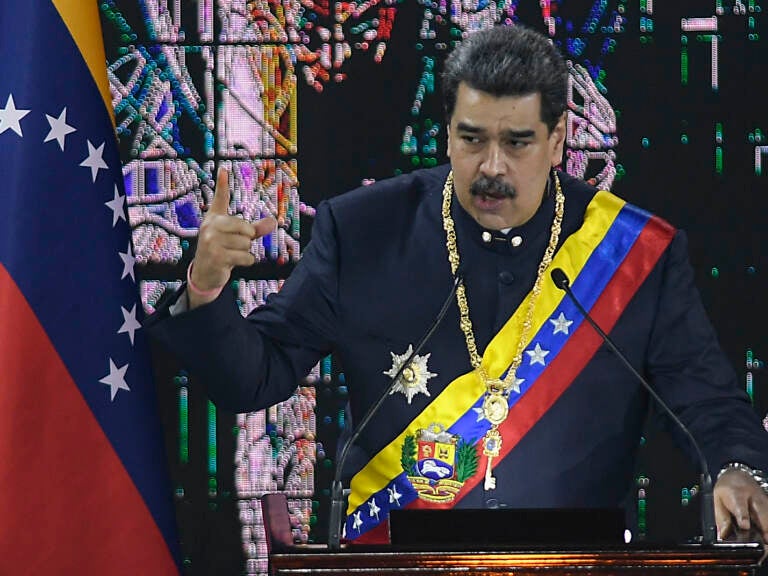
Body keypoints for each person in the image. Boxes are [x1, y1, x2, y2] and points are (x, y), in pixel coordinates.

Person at [146, 24, 768, 545]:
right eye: (472, 139)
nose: (491, 167)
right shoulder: (362, 230)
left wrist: (737, 471)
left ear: (557, 142)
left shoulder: (631, 255)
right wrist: (205, 288)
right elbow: (258, 375)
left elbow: (709, 404)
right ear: (447, 130)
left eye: (517, 142)